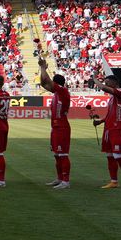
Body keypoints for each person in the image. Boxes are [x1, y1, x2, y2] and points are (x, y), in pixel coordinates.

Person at [93, 74, 121, 190]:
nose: (106, 84)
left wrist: (95, 80)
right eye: (105, 82)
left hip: (117, 129)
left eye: (107, 82)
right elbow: (110, 114)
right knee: (110, 156)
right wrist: (100, 121)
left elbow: (103, 88)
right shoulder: (111, 98)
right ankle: (114, 181)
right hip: (108, 129)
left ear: (115, 83)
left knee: (118, 155)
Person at [37, 57, 71, 189]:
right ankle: (60, 178)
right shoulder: (57, 92)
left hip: (62, 127)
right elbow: (43, 83)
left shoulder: (62, 91)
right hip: (55, 127)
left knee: (63, 154)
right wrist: (42, 70)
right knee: (57, 155)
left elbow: (47, 81)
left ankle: (66, 181)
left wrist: (43, 68)